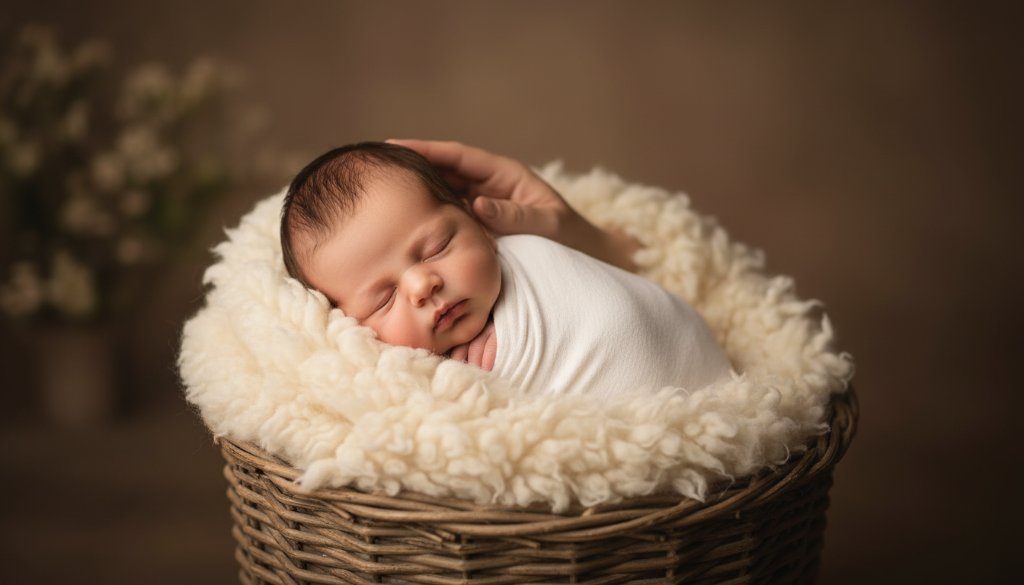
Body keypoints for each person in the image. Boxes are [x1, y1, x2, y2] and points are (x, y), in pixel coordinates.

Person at [280, 141, 732, 396]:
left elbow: (640, 272)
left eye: (436, 246)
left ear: (477, 220)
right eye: (383, 298)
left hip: (703, 368)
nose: (422, 284)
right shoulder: (425, 383)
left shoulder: (529, 245)